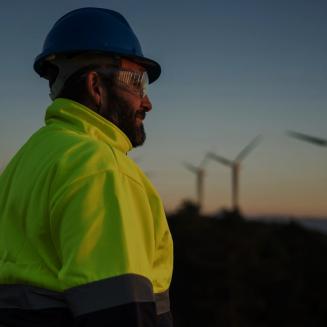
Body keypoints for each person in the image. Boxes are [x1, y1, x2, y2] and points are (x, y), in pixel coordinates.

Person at [0, 7, 173, 327]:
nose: (147, 102)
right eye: (137, 83)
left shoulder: (25, 161)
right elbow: (120, 315)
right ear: (96, 86)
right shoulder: (102, 170)